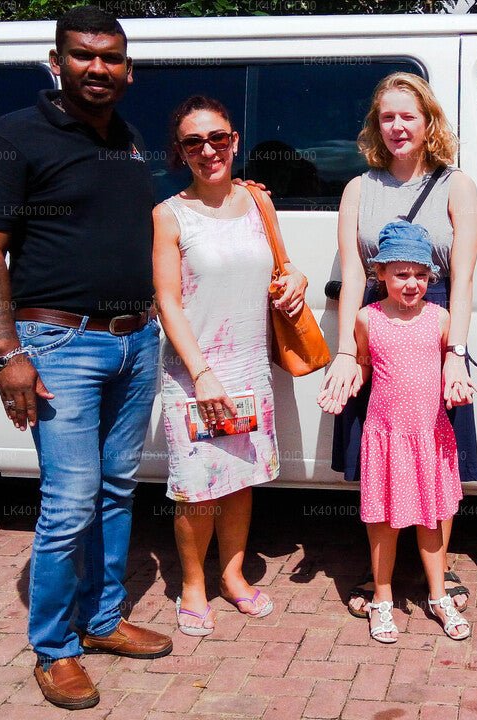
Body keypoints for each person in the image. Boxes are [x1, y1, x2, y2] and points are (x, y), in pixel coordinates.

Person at [0, 7, 170, 710]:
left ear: (128, 68)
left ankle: (103, 618)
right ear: (57, 61)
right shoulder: (13, 137)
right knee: (68, 503)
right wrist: (6, 354)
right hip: (60, 345)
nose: (98, 69)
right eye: (83, 56)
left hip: (135, 341)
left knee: (116, 490)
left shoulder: (132, 141)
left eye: (111, 58)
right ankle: (55, 649)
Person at [316, 72, 477, 618]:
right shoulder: (358, 189)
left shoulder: (457, 184)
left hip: (436, 346)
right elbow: (353, 276)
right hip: (377, 344)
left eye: (408, 115)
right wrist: (345, 353)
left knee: (438, 461)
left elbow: (461, 278)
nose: (397, 126)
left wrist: (454, 352)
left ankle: (437, 572)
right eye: (387, 116)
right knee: (381, 462)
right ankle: (383, 578)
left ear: (428, 119)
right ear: (375, 124)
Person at [152, 96, 308, 635]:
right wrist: (200, 373)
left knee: (239, 480)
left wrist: (298, 282)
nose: (208, 150)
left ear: (235, 141)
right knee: (197, 486)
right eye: (194, 142)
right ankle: (193, 585)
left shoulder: (258, 203)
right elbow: (168, 302)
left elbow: (282, 268)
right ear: (180, 153)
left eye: (218, 138)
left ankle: (233, 576)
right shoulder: (169, 215)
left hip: (246, 370)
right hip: (195, 375)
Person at [325, 221, 471, 644]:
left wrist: (455, 380)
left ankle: (438, 594)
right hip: (386, 437)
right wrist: (354, 374)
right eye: (402, 274)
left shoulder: (441, 319)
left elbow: (450, 364)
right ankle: (383, 598)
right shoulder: (366, 319)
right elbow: (366, 363)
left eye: (421, 275)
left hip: (429, 436)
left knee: (431, 518)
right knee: (384, 522)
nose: (411, 284)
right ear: (381, 274)